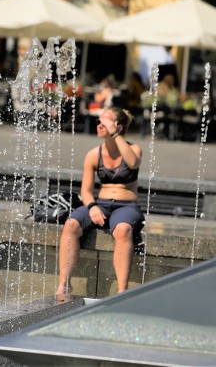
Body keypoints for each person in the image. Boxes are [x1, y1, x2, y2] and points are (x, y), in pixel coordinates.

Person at [56, 107, 144, 303]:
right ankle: (64, 282)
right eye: (98, 122)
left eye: (104, 122)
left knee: (122, 230)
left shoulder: (134, 149)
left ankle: (122, 290)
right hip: (101, 204)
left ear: (118, 126)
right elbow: (86, 191)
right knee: (71, 225)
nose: (99, 125)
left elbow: (132, 162)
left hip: (126, 206)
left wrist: (116, 135)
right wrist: (92, 207)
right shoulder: (93, 155)